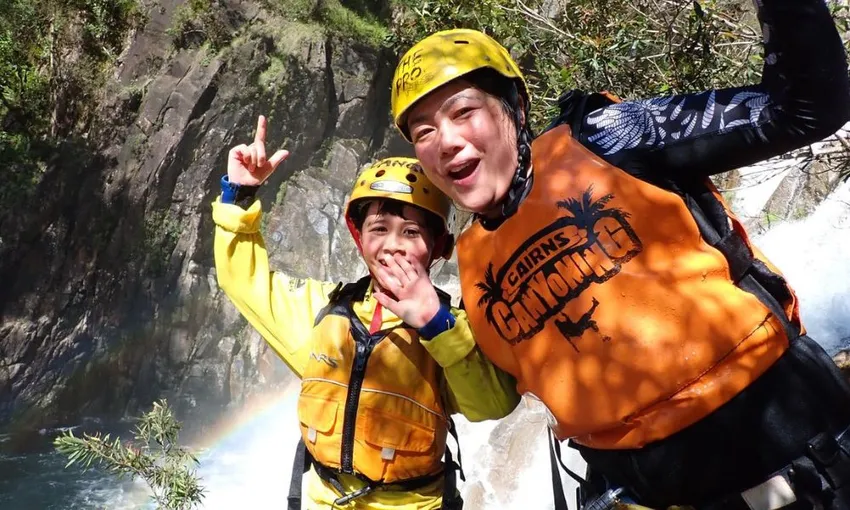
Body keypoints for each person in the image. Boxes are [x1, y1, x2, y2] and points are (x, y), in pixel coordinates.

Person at [387, 0, 850, 506]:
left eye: (463, 112)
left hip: (783, 452)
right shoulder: (473, 262)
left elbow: (805, 106)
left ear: (516, 108)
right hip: (638, 490)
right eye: (424, 132)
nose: (446, 142)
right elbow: (499, 398)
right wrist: (433, 319)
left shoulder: (609, 136)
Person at [211, 116, 521, 509]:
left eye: (411, 233)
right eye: (379, 229)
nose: (393, 246)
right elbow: (244, 282)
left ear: (439, 245)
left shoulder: (455, 325)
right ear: (359, 239)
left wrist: (437, 325)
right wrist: (239, 193)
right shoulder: (324, 311)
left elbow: (492, 404)